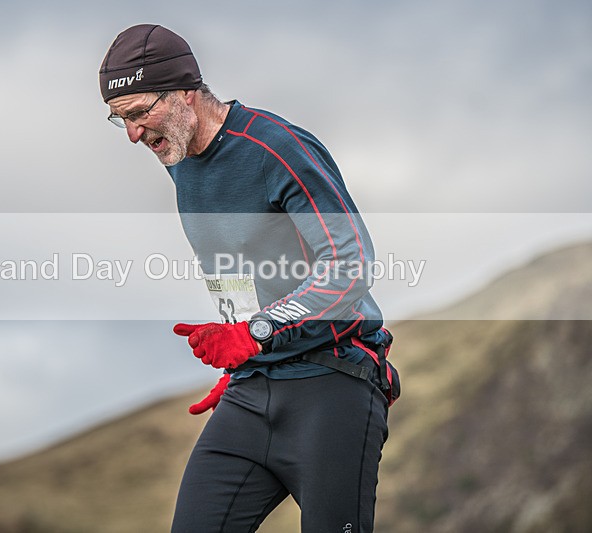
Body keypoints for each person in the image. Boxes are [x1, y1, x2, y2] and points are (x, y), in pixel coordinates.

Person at [99, 24, 398, 532]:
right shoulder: (180, 163)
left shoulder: (275, 147)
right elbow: (230, 265)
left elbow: (350, 265)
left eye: (139, 113)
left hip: (333, 384)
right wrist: (238, 353)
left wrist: (257, 332)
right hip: (253, 390)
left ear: (185, 93)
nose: (132, 134)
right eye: (118, 119)